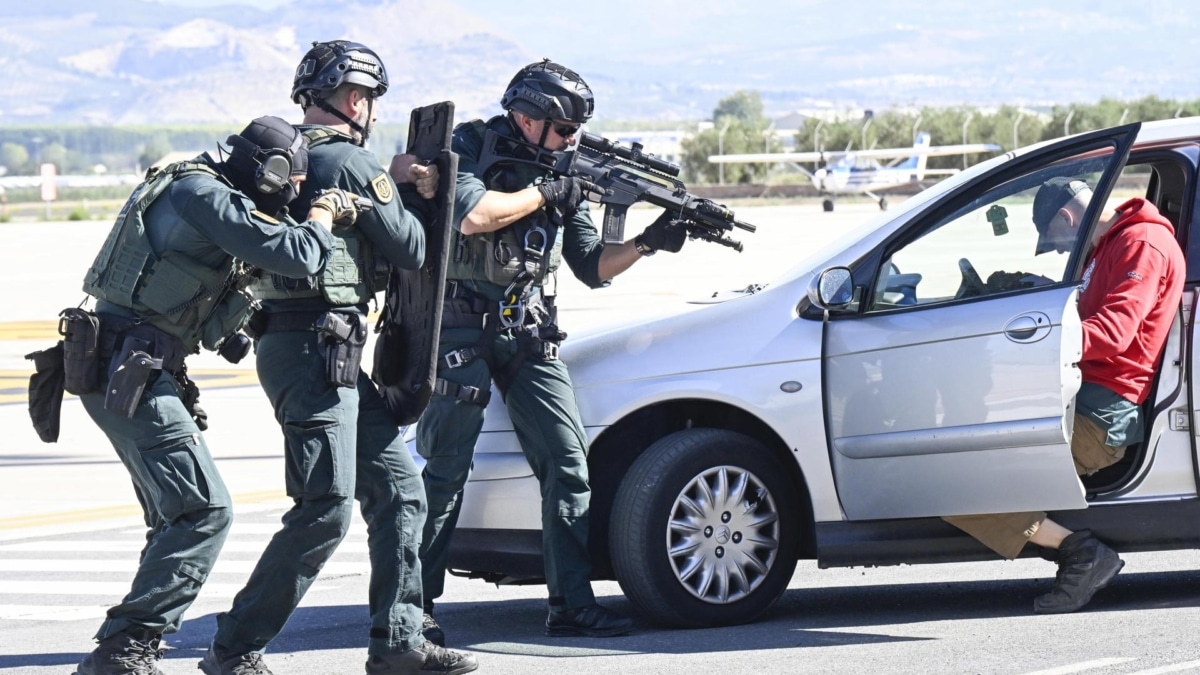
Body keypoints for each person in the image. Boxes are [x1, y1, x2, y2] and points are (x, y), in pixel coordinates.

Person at [201, 41, 477, 675]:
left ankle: (399, 641)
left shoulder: (280, 157)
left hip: (314, 348)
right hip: (318, 349)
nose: (371, 111)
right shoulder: (350, 161)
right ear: (355, 100)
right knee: (324, 508)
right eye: (370, 100)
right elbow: (409, 248)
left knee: (400, 491)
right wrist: (408, 185)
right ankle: (235, 647)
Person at [408, 58, 689, 643]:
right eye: (564, 130)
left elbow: (592, 266)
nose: (571, 142)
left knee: (569, 464)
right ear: (531, 117)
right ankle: (411, 608)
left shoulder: (561, 170)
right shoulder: (471, 143)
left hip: (527, 331)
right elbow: (472, 216)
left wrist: (646, 241)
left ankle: (571, 604)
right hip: (460, 327)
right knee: (445, 470)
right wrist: (544, 192)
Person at [69, 115, 342, 675]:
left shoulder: (197, 186)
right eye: (288, 177)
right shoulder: (204, 195)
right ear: (265, 170)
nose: (292, 189)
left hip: (131, 364)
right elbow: (300, 255)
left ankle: (130, 646)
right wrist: (323, 214)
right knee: (203, 511)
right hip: (131, 367)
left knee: (175, 516)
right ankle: (125, 647)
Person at [944, 176, 1185, 614]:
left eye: (1054, 240)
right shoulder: (1108, 246)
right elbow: (1088, 310)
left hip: (1100, 417)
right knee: (964, 462)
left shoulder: (1142, 245)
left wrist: (1034, 340)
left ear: (1068, 217)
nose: (1058, 250)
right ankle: (1076, 552)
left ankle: (1081, 553)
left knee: (956, 486)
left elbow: (1114, 333)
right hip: (1078, 397)